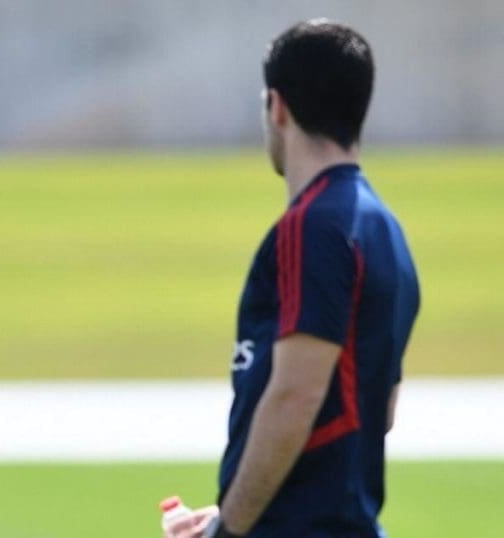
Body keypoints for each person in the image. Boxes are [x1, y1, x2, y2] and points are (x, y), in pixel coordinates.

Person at [167, 20, 420, 538]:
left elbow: (296, 395)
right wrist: (232, 512)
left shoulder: (313, 225)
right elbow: (378, 409)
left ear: (277, 107)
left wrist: (230, 528)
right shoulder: (385, 230)